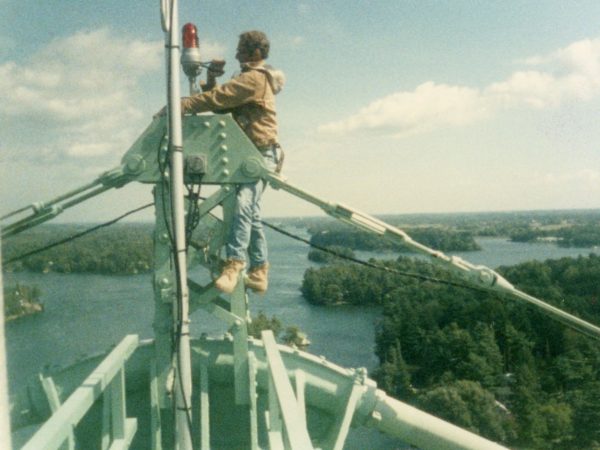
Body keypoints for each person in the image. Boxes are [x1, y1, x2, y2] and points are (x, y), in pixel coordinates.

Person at [180, 30, 285, 294]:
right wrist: (212, 79)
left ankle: (235, 264)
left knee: (243, 206)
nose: (236, 53)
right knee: (251, 212)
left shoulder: (255, 79)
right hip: (249, 153)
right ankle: (259, 270)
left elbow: (218, 99)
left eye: (241, 49)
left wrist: (181, 106)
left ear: (255, 52)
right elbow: (221, 106)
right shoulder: (246, 79)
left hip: (259, 155)